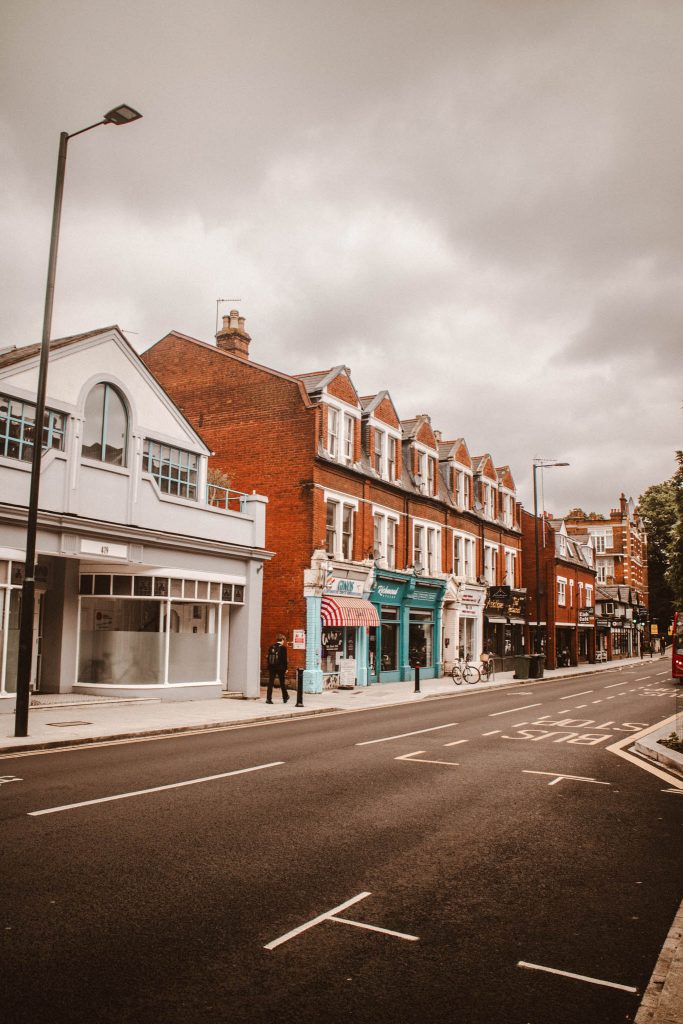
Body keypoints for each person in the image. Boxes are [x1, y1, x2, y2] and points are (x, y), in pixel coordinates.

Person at [266, 634, 289, 704]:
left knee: (270, 683)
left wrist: (269, 666)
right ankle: (285, 697)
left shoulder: (271, 647)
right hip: (280, 668)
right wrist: (286, 668)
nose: (283, 642)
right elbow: (284, 660)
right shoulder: (283, 648)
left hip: (272, 667)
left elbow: (268, 658)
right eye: (283, 640)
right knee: (282, 683)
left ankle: (268, 699)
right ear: (282, 640)